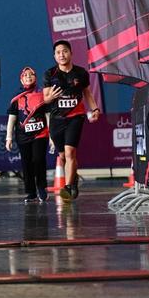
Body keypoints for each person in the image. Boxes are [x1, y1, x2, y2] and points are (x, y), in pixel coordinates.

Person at [42, 40, 100, 201]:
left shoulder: (81, 73)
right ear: (55, 56)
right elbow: (45, 99)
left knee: (70, 152)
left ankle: (68, 187)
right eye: (58, 52)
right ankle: (73, 178)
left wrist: (95, 108)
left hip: (76, 117)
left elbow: (87, 93)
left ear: (71, 53)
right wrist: (51, 97)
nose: (62, 55)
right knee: (62, 156)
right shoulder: (49, 74)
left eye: (65, 51)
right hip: (56, 119)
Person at [5, 67, 54, 204]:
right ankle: (31, 192)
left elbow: (48, 116)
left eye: (31, 74)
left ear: (35, 78)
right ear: (21, 79)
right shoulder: (16, 97)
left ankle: (42, 188)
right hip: (23, 136)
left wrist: (52, 136)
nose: (28, 77)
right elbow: (12, 118)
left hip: (40, 134)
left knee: (38, 160)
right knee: (26, 164)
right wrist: (8, 137)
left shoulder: (42, 94)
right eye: (25, 75)